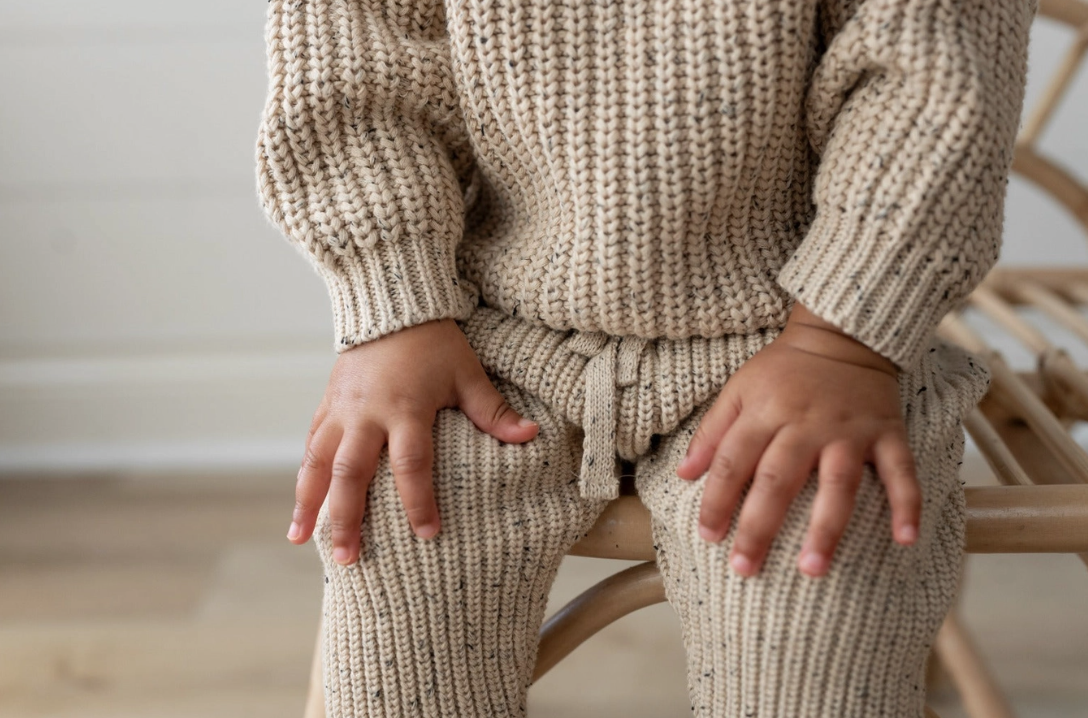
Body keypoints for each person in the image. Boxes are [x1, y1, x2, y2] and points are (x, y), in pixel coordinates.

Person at [255, 0, 1035, 715]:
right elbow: (352, 56)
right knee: (397, 513)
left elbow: (931, 76)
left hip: (802, 339)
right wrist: (396, 305)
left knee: (814, 561)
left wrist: (844, 333)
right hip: (490, 332)